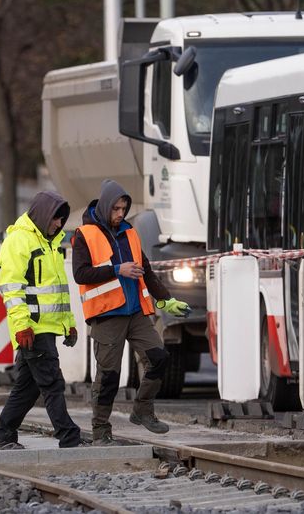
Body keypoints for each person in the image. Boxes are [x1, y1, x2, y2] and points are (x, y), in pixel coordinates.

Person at [72, 179, 189, 444]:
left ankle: (142, 410)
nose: (120, 214)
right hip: (107, 315)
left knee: (159, 358)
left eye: (124, 209)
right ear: (104, 207)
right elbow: (80, 274)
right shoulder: (85, 235)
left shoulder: (130, 232)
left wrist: (166, 300)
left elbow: (145, 270)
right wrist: (116, 270)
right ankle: (101, 430)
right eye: (116, 209)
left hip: (135, 312)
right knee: (109, 376)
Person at [0, 191, 84, 450]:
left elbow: (58, 291)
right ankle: (69, 437)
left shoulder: (49, 243)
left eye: (62, 220)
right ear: (43, 215)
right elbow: (12, 288)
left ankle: (4, 437)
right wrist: (22, 326)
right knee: (52, 383)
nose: (59, 224)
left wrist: (68, 323)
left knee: (28, 389)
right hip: (32, 328)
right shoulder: (19, 241)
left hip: (44, 328)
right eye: (56, 218)